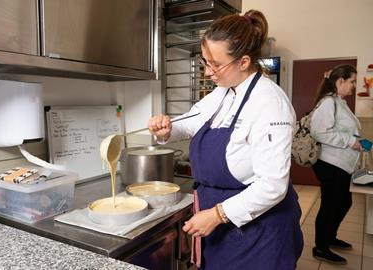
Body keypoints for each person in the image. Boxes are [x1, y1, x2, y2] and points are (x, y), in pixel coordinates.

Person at [148, 10, 303, 270]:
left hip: (259, 233)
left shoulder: (270, 104)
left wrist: (218, 214)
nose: (208, 72)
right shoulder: (221, 93)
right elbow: (189, 121)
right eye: (205, 61)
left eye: (215, 64)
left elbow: (273, 185)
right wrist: (166, 130)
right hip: (221, 226)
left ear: (243, 62)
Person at [310, 65, 362, 265]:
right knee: (330, 206)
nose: (354, 86)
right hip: (330, 164)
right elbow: (319, 132)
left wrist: (357, 141)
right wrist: (350, 141)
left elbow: (342, 129)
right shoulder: (328, 102)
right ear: (340, 81)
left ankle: (329, 237)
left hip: (341, 164)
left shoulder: (339, 102)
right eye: (352, 81)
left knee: (343, 203)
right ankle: (321, 247)